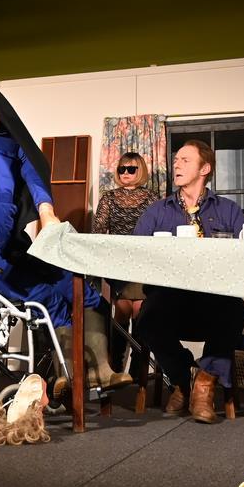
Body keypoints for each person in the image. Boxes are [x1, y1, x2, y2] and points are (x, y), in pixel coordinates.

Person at [0, 89, 132, 392]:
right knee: (46, 298)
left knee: (83, 291)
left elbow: (35, 176)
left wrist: (46, 211)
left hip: (11, 248)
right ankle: (69, 376)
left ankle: (100, 370)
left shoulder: (11, 144)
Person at [132, 140, 244, 423]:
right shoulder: (157, 212)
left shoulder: (229, 211)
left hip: (214, 300)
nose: (177, 165)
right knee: (147, 317)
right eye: (175, 160)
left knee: (235, 310)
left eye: (185, 160)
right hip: (170, 300)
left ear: (204, 168)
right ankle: (183, 378)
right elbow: (135, 254)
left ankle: (205, 381)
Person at [92, 151, 159, 366]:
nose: (126, 173)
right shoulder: (109, 198)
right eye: (122, 169)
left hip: (144, 262)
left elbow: (159, 230)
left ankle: (138, 370)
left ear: (141, 171)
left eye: (131, 169)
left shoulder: (152, 198)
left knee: (140, 312)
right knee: (122, 312)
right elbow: (99, 230)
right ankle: (115, 367)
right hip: (118, 262)